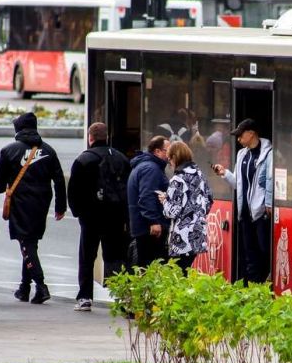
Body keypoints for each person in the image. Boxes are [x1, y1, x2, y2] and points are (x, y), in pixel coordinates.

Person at [0, 112, 67, 304]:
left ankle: (41, 287)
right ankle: (24, 288)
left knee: (26, 243)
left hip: (20, 201)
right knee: (30, 242)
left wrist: (3, 189)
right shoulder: (49, 151)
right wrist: (60, 206)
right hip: (42, 202)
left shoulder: (10, 150)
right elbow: (59, 179)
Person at [67, 122, 130, 312]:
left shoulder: (83, 160)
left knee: (87, 256)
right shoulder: (121, 158)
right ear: (107, 137)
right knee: (116, 256)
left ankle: (85, 297)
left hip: (91, 216)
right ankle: (123, 297)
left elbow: (74, 191)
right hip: (116, 215)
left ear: (90, 137)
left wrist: (78, 212)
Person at [213, 118, 273, 284]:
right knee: (250, 252)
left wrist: (268, 203)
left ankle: (265, 284)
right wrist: (225, 173)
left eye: (241, 135)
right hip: (245, 212)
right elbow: (238, 184)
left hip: (261, 213)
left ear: (252, 133)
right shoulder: (242, 154)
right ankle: (253, 288)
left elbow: (270, 179)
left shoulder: (269, 153)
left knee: (264, 250)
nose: (238, 139)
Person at [159, 141, 213, 273]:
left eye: (169, 159)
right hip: (198, 233)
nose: (169, 163)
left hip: (182, 237)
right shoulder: (200, 175)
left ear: (174, 157)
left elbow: (171, 212)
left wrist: (164, 200)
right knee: (185, 271)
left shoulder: (177, 179)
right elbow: (209, 200)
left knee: (177, 275)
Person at [127, 136, 171, 267]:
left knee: (146, 266)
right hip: (149, 228)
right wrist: (153, 221)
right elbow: (147, 196)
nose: (170, 155)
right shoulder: (151, 169)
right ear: (157, 151)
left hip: (143, 226)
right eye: (167, 151)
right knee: (149, 266)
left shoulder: (147, 166)